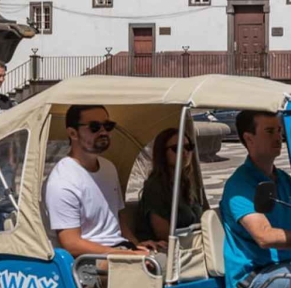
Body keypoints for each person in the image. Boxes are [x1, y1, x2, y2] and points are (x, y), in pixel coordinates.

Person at [45, 104, 158, 258]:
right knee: (163, 265)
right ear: (73, 133)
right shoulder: (62, 181)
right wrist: (123, 254)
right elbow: (71, 244)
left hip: (119, 249)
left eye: (108, 125)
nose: (104, 132)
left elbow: (116, 217)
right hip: (90, 260)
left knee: (177, 257)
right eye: (94, 127)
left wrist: (136, 244)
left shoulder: (108, 168)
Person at [220, 110, 291, 288]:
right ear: (249, 139)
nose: (278, 137)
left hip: (289, 264)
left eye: (279, 130)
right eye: (269, 131)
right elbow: (264, 237)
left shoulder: (284, 180)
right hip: (256, 277)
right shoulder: (240, 185)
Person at [130, 126, 208, 244]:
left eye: (188, 147)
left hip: (193, 243)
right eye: (176, 148)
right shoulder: (155, 187)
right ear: (163, 153)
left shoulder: (185, 183)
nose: (184, 152)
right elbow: (164, 234)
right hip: (167, 247)